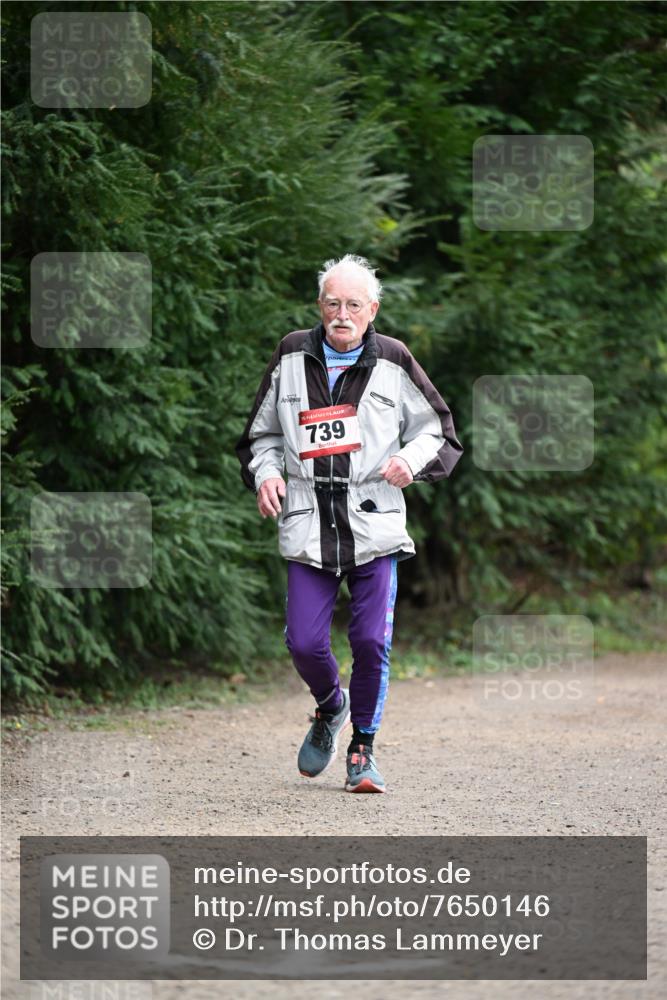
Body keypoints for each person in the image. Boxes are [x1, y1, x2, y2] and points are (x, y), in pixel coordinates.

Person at [235, 254, 463, 793]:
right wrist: (267, 475)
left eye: (353, 305)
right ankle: (330, 707)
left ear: (372, 310)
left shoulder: (394, 360)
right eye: (333, 303)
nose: (342, 314)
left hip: (373, 522)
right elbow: (260, 437)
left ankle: (362, 749)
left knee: (369, 639)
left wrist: (409, 461)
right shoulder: (291, 353)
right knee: (304, 644)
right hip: (309, 522)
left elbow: (438, 431)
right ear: (320, 306)